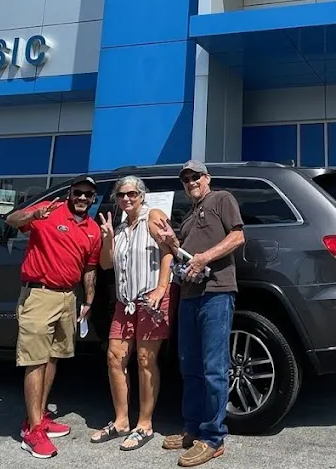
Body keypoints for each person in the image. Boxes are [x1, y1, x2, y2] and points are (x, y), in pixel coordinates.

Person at [151, 160, 244, 468]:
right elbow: (184, 257)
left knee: (214, 369)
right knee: (189, 367)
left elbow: (238, 236)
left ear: (207, 178)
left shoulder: (222, 199)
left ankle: (213, 438)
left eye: (195, 176)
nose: (190, 181)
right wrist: (173, 242)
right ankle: (192, 428)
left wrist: (205, 258)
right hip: (190, 297)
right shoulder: (189, 217)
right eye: (185, 179)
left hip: (216, 294)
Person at [4, 177, 102, 459]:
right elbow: (12, 219)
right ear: (71, 193)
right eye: (78, 192)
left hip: (68, 298)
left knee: (53, 357)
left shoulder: (93, 230)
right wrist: (33, 214)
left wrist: (89, 300)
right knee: (34, 359)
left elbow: (90, 270)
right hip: (39, 294)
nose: (82, 198)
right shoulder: (49, 210)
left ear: (93, 198)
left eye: (88, 194)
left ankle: (39, 417)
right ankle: (33, 431)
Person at [89, 175, 175, 451]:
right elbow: (105, 265)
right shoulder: (122, 227)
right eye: (122, 195)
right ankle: (121, 421)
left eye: (132, 194)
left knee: (145, 359)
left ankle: (145, 424)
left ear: (142, 195)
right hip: (125, 302)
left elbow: (169, 252)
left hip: (151, 299)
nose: (127, 199)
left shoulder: (154, 216)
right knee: (114, 357)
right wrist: (108, 239)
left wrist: (161, 288)